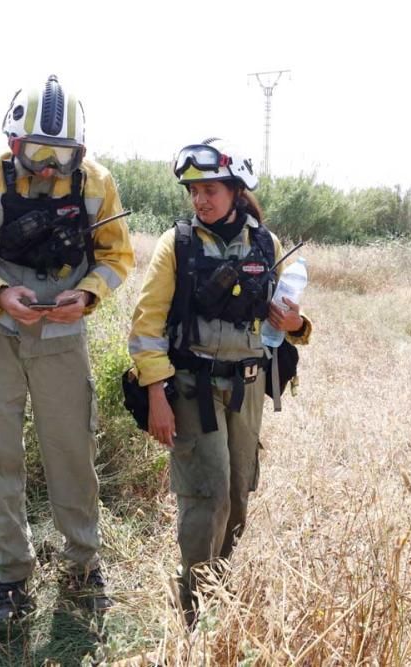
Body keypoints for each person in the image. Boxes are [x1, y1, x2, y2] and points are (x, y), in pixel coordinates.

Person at [0, 75, 134, 624]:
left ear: (81, 152)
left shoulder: (97, 185)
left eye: (62, 156)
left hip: (63, 338)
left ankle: (83, 566)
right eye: (38, 154)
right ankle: (11, 575)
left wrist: (88, 295)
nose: (49, 168)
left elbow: (118, 258)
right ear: (13, 143)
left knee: (72, 451)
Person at [127, 138, 312, 625]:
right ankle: (192, 608)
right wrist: (156, 398)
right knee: (206, 496)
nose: (200, 200)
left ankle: (217, 588)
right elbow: (146, 326)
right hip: (194, 389)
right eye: (194, 191)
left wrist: (292, 322)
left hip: (248, 388)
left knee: (236, 495)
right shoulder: (179, 244)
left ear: (235, 190)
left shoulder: (266, 244)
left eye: (210, 189)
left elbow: (293, 322)